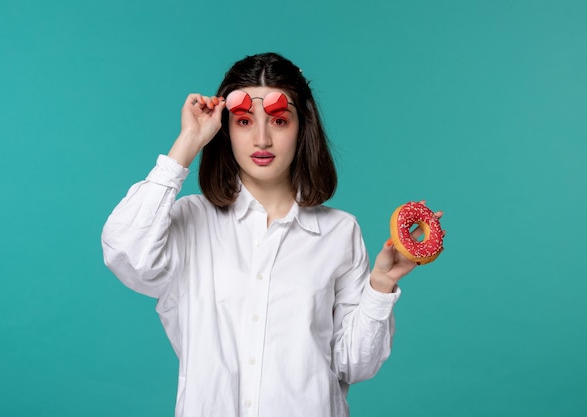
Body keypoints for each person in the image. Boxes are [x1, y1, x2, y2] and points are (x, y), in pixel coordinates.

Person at [101, 52, 441, 417]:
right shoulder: (189, 220)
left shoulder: (340, 232)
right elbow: (125, 253)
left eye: (279, 121)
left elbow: (354, 366)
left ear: (302, 127)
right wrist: (188, 141)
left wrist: (381, 285)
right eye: (244, 121)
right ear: (225, 128)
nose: (261, 139)